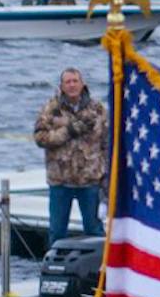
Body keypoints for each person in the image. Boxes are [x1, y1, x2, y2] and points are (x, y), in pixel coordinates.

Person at [33, 67, 108, 244]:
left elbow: (107, 143)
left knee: (94, 230)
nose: (72, 85)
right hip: (60, 181)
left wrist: (106, 175)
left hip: (89, 180)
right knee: (57, 231)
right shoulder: (51, 109)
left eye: (75, 81)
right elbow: (40, 138)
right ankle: (54, 264)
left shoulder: (97, 109)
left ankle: (98, 268)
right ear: (62, 86)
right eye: (68, 82)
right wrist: (67, 132)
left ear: (83, 84)